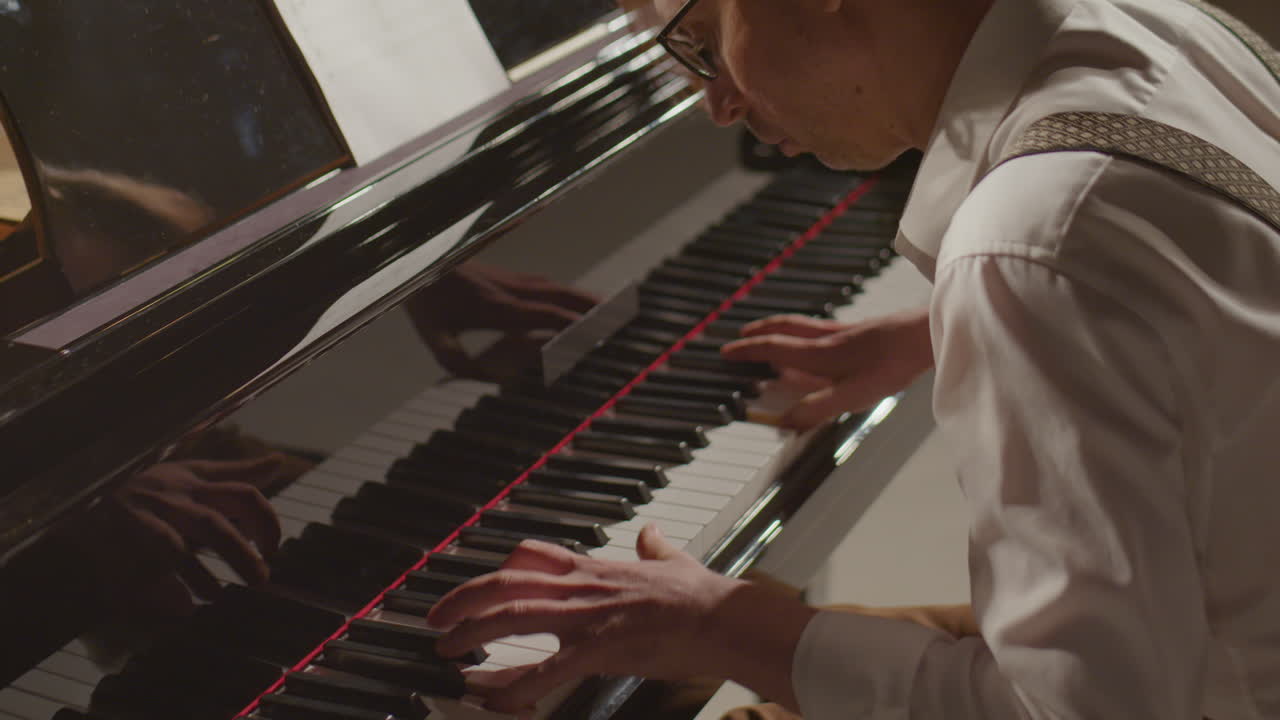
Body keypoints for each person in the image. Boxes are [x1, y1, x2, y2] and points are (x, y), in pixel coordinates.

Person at [425, 0, 1280, 718]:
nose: (714, 102)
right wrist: (937, 327)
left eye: (700, 39)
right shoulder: (1146, 20)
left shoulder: (1030, 241)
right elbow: (1185, 288)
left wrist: (723, 624)